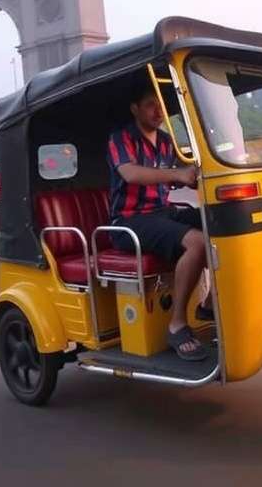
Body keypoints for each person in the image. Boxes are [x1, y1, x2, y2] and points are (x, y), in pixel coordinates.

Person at [107, 83, 210, 361]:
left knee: (219, 223)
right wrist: (177, 175)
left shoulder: (166, 141)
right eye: (151, 104)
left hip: (161, 214)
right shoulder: (121, 139)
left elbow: (192, 164)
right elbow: (130, 174)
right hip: (128, 222)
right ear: (135, 109)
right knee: (198, 242)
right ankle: (177, 325)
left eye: (161, 105)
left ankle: (209, 304)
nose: (159, 111)